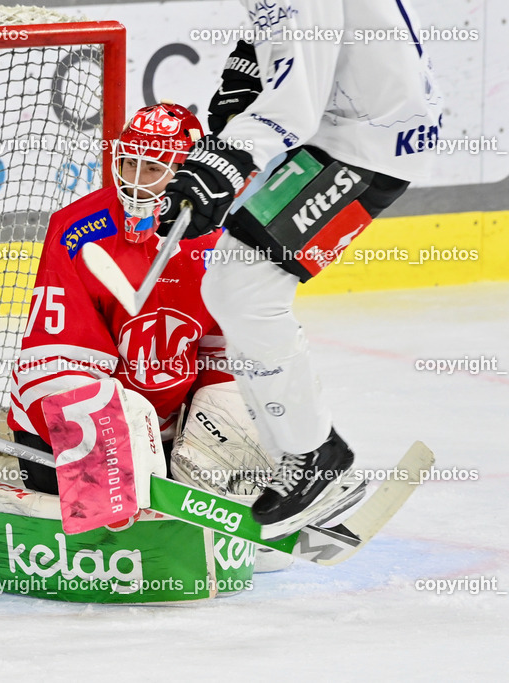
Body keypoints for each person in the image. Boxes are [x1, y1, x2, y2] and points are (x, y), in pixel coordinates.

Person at [156, 0, 443, 539]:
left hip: (366, 139)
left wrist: (227, 156)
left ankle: (315, 457)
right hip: (355, 127)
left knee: (244, 289)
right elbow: (311, 33)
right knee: (231, 285)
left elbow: (294, 103)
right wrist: (251, 63)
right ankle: (294, 452)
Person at [6, 102, 247, 494]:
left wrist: (215, 443)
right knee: (97, 404)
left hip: (169, 432)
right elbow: (56, 357)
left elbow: (227, 356)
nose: (135, 181)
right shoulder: (79, 229)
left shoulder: (221, 243)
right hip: (73, 430)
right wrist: (116, 439)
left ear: (187, 172)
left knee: (238, 404)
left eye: (152, 168)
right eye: (128, 164)